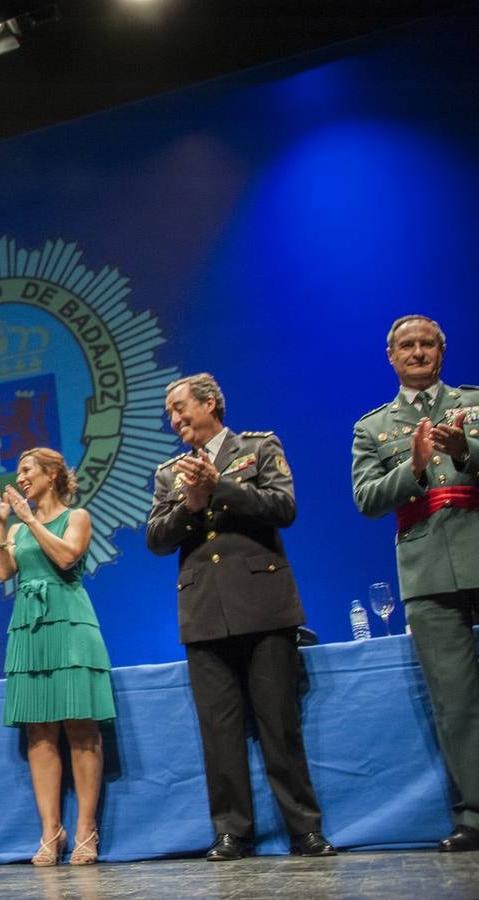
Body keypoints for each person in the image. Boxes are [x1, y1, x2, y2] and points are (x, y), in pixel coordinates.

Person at [146, 374, 335, 861]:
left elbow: (284, 507)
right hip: (204, 612)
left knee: (279, 726)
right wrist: (191, 505)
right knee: (219, 732)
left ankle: (304, 829)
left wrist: (221, 487)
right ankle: (232, 832)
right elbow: (157, 539)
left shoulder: (259, 446)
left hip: (263, 605)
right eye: (170, 412)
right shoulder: (170, 473)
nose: (175, 418)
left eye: (180, 407)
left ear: (210, 403)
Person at [350, 315, 479, 853]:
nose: (419, 352)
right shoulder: (373, 428)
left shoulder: (474, 403)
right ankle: (474, 813)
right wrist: (417, 465)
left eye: (428, 343)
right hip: (426, 571)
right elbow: (367, 499)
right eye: (408, 345)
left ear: (442, 352)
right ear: (392, 356)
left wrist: (464, 452)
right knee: (456, 701)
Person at [0, 448, 114, 866]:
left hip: (70, 622)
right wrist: (2, 522)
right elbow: (5, 572)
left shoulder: (76, 517)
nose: (20, 478)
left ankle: (85, 829)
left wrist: (28, 519)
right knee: (39, 732)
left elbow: (66, 556)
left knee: (80, 725)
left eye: (27, 471)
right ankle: (50, 830)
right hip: (30, 625)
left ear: (52, 474)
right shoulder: (20, 526)